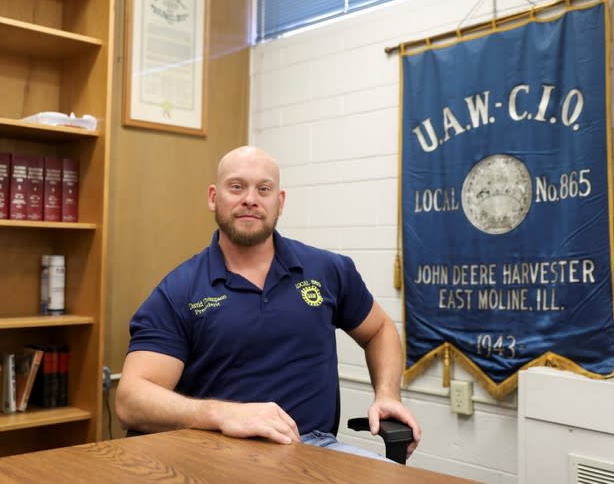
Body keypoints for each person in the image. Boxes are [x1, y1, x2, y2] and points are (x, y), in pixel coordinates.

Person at [115, 145, 421, 460]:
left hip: (312, 450)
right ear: (212, 197)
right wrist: (222, 415)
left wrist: (387, 394)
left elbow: (379, 329)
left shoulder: (329, 270)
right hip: (215, 452)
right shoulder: (179, 290)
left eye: (264, 189)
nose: (251, 198)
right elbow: (131, 400)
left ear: (280, 201)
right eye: (236, 187)